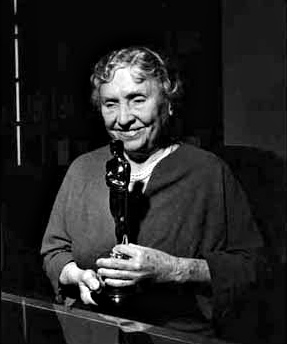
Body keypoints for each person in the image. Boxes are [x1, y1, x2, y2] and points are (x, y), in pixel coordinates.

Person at [41, 46, 266, 342]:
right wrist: (75, 275)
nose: (123, 118)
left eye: (137, 100)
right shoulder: (82, 170)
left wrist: (174, 269)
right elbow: (54, 251)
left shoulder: (208, 173)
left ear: (168, 102)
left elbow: (252, 269)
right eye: (110, 104)